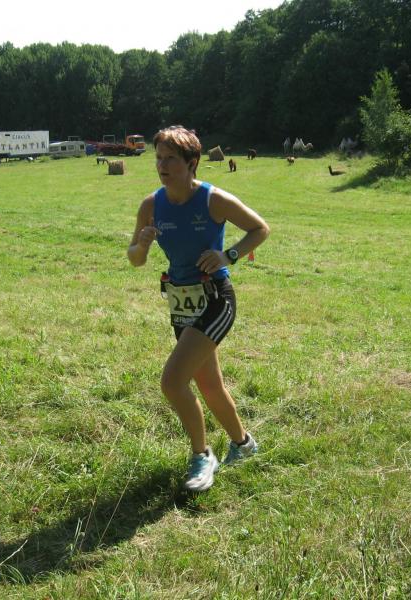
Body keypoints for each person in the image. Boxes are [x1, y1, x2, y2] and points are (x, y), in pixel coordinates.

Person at [127, 126, 270, 492]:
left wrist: (228, 254)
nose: (162, 166)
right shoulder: (151, 205)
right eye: (159, 158)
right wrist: (142, 245)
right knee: (209, 385)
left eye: (171, 159)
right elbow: (135, 259)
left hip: (215, 298)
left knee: (172, 381)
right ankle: (243, 445)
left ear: (192, 163)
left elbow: (259, 228)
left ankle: (202, 455)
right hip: (181, 301)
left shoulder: (212, 200)